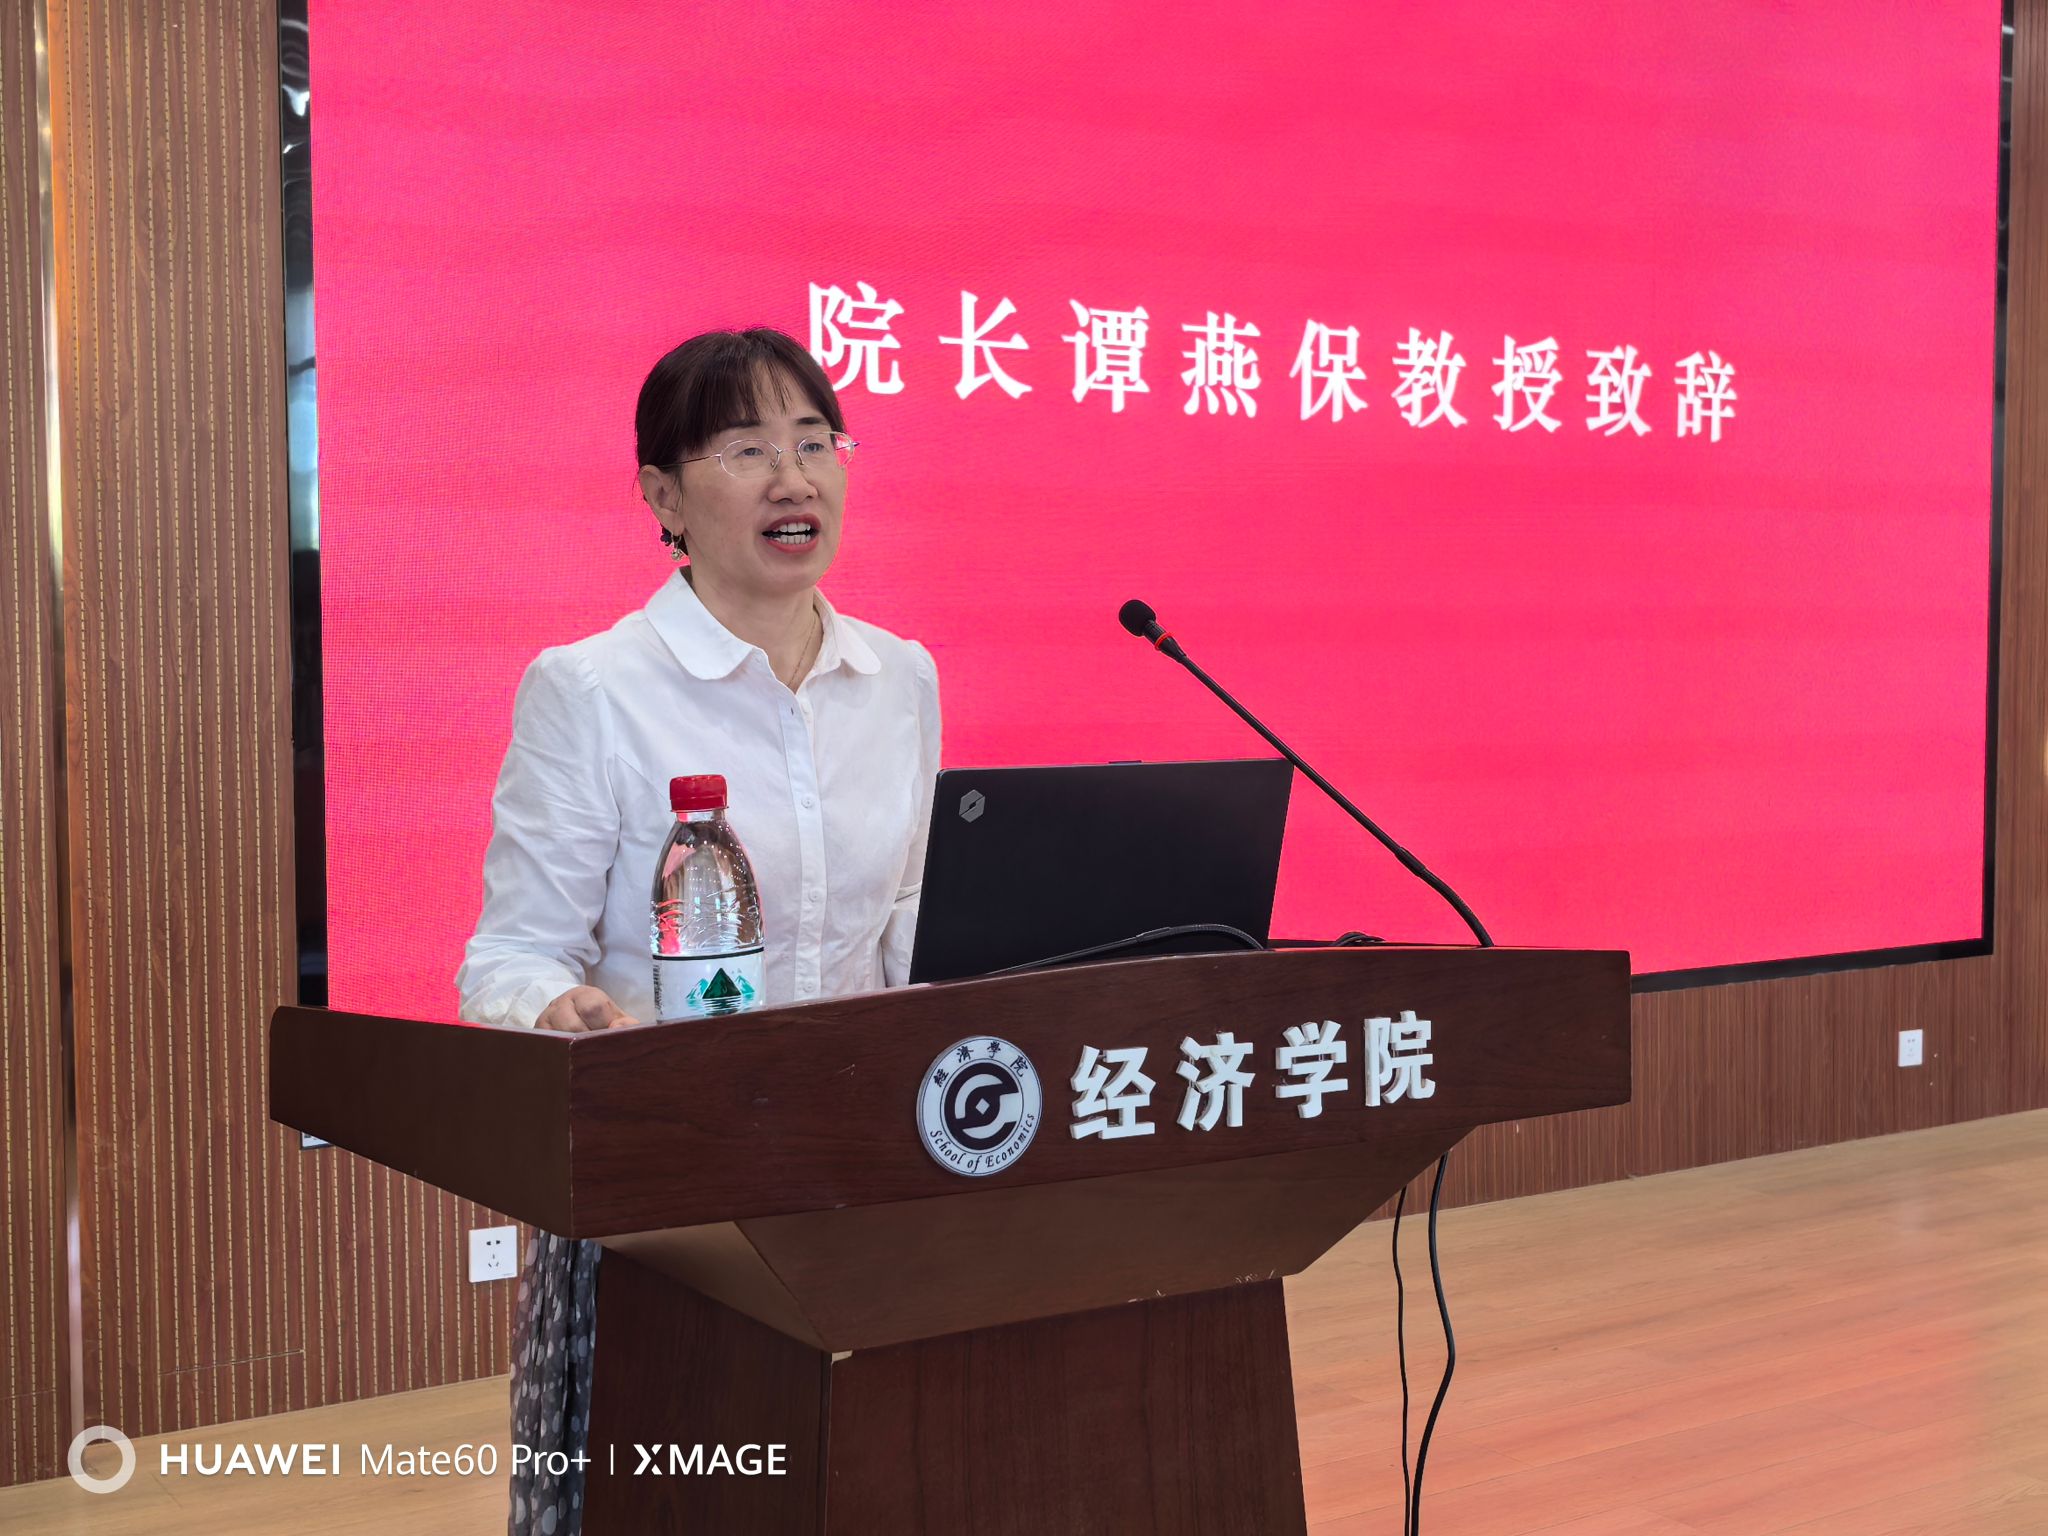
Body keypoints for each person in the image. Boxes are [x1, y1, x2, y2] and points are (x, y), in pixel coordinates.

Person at [453, 328, 940, 1536]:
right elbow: (508, 958)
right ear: (663, 497)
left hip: (865, 1167)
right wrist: (553, 1009)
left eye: (814, 444)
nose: (793, 478)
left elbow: (909, 928)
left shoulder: (900, 681)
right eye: (745, 450)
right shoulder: (591, 689)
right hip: (672, 1190)